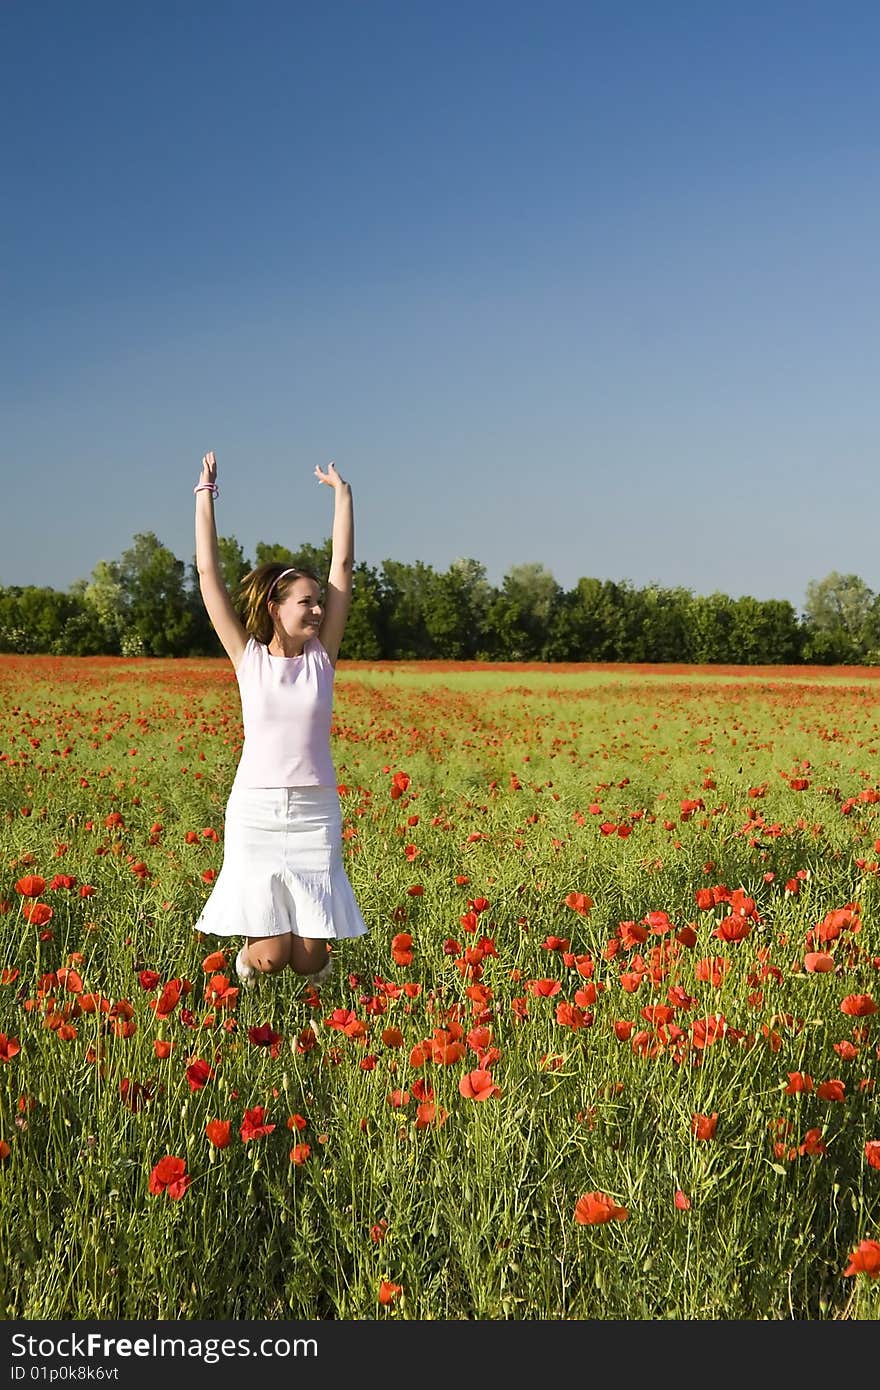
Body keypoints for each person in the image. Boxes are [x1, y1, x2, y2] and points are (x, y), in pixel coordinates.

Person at [191, 449, 367, 989]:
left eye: (320, 603)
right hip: (257, 809)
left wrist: (344, 495)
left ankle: (312, 981)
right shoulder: (249, 660)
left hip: (315, 812)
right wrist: (205, 496)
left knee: (309, 957)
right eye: (305, 603)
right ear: (275, 606)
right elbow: (207, 575)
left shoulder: (323, 658)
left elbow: (342, 567)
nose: (317, 610)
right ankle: (249, 975)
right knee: (270, 957)